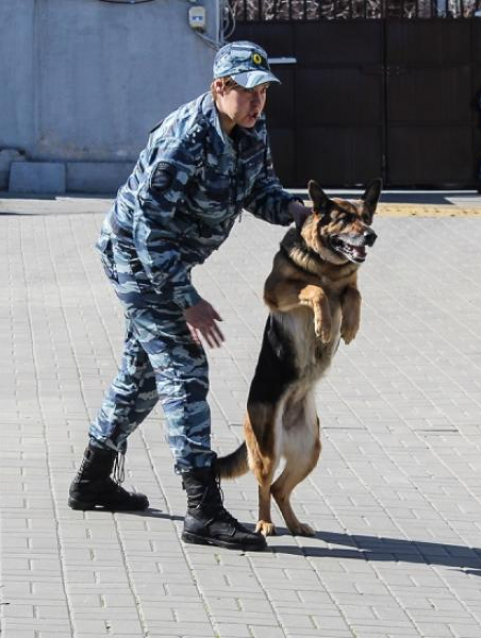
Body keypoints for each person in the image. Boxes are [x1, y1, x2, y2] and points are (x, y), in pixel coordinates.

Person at [68, 41, 311, 552]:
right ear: (220, 87)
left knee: (142, 375)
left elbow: (258, 189)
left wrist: (296, 214)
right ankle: (203, 508)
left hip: (166, 260)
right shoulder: (184, 140)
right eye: (248, 91)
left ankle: (92, 479)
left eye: (263, 92)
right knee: (184, 367)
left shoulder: (250, 130)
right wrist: (187, 300)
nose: (258, 102)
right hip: (136, 259)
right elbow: (148, 232)